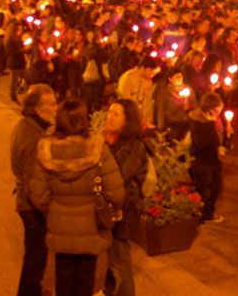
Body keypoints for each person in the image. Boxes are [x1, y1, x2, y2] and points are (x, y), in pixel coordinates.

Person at [29, 99, 125, 296]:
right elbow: (117, 192)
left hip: (60, 229)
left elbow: (38, 195)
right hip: (91, 229)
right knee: (86, 283)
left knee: (62, 280)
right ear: (83, 120)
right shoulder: (98, 149)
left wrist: (54, 208)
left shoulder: (46, 151)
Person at [10, 84, 57, 296]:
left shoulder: (29, 126)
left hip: (27, 203)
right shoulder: (32, 138)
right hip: (31, 208)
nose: (56, 108)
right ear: (38, 109)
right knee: (35, 260)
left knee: (34, 257)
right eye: (52, 104)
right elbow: (33, 186)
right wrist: (48, 210)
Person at [102, 99, 149, 296]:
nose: (109, 117)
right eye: (109, 112)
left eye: (115, 114)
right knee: (109, 260)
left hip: (124, 211)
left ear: (127, 120)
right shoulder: (107, 140)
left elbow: (119, 178)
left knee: (120, 262)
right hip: (108, 210)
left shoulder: (134, 147)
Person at [189, 92, 227, 222]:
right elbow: (201, 144)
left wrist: (227, 135)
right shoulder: (198, 122)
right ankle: (203, 216)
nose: (220, 112)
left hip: (213, 159)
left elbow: (218, 139)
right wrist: (211, 126)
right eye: (218, 109)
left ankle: (207, 213)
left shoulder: (214, 120)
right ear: (209, 108)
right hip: (201, 161)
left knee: (216, 187)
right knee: (204, 190)